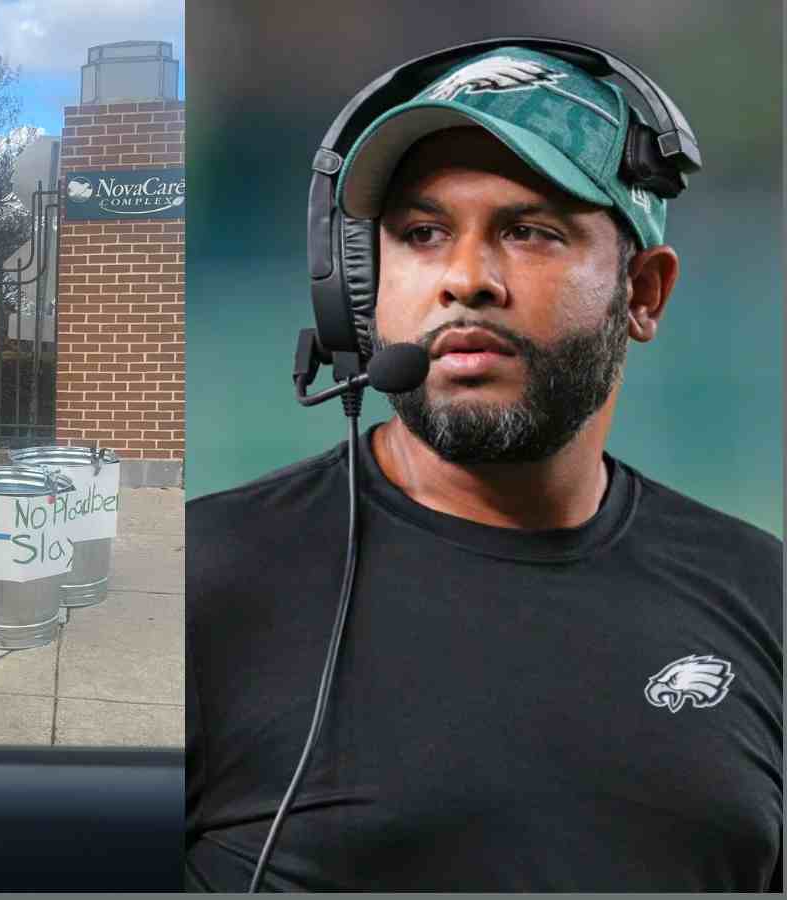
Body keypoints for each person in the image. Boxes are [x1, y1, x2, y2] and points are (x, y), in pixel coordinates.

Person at [185, 44, 782, 891]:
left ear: (643, 293)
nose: (464, 278)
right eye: (421, 235)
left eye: (529, 231)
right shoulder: (203, 584)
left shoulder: (764, 594)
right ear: (358, 289)